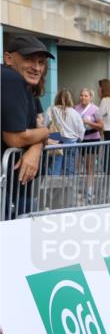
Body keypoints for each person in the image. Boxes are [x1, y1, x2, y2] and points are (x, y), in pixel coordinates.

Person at [2, 34, 52, 218]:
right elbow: (16, 138)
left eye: (41, 62)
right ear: (8, 58)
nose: (37, 67)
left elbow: (32, 132)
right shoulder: (10, 79)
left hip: (15, 185)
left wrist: (37, 147)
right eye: (29, 59)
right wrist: (46, 132)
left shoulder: (24, 87)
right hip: (7, 186)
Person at [45, 88, 85, 175]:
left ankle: (53, 188)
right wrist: (78, 139)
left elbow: (44, 125)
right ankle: (69, 188)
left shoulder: (51, 110)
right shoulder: (75, 113)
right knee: (70, 170)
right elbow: (81, 131)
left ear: (57, 98)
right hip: (72, 142)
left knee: (54, 168)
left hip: (55, 141)